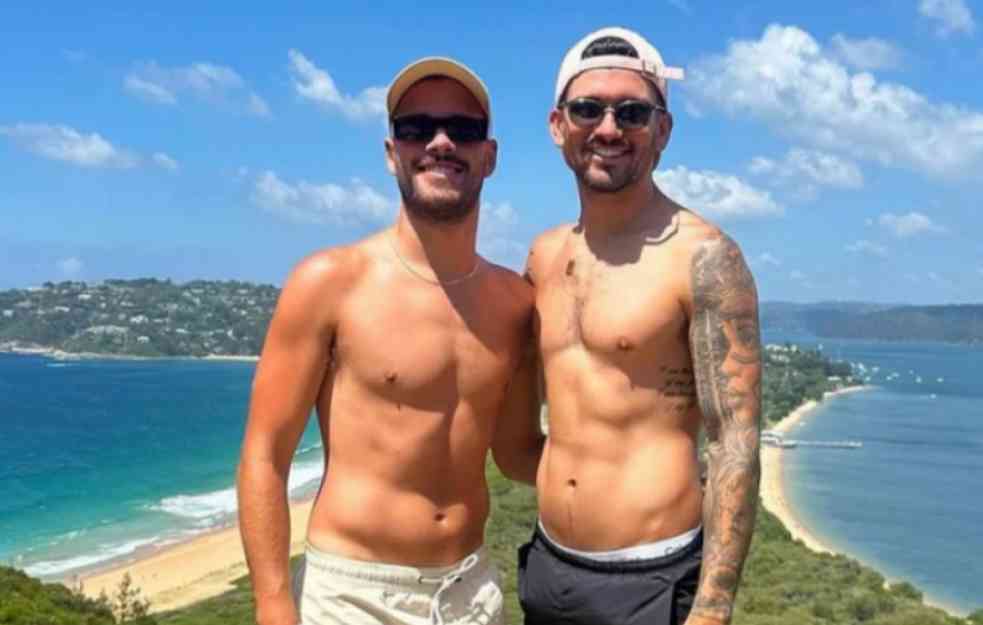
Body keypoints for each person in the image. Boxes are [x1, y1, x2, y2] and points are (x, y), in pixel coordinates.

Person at [237, 57, 542, 625]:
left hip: (471, 592)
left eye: (463, 129)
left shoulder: (515, 304)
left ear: (490, 156)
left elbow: (516, 452)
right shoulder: (330, 282)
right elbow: (264, 454)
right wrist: (273, 603)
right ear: (390, 152)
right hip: (354, 595)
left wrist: (631, 468)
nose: (440, 143)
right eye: (416, 128)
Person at [518, 27, 762, 625]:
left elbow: (734, 440)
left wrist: (712, 608)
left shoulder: (704, 257)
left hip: (653, 579)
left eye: (632, 113)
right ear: (557, 125)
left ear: (662, 131)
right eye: (588, 109)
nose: (608, 129)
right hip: (547, 567)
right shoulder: (542, 257)